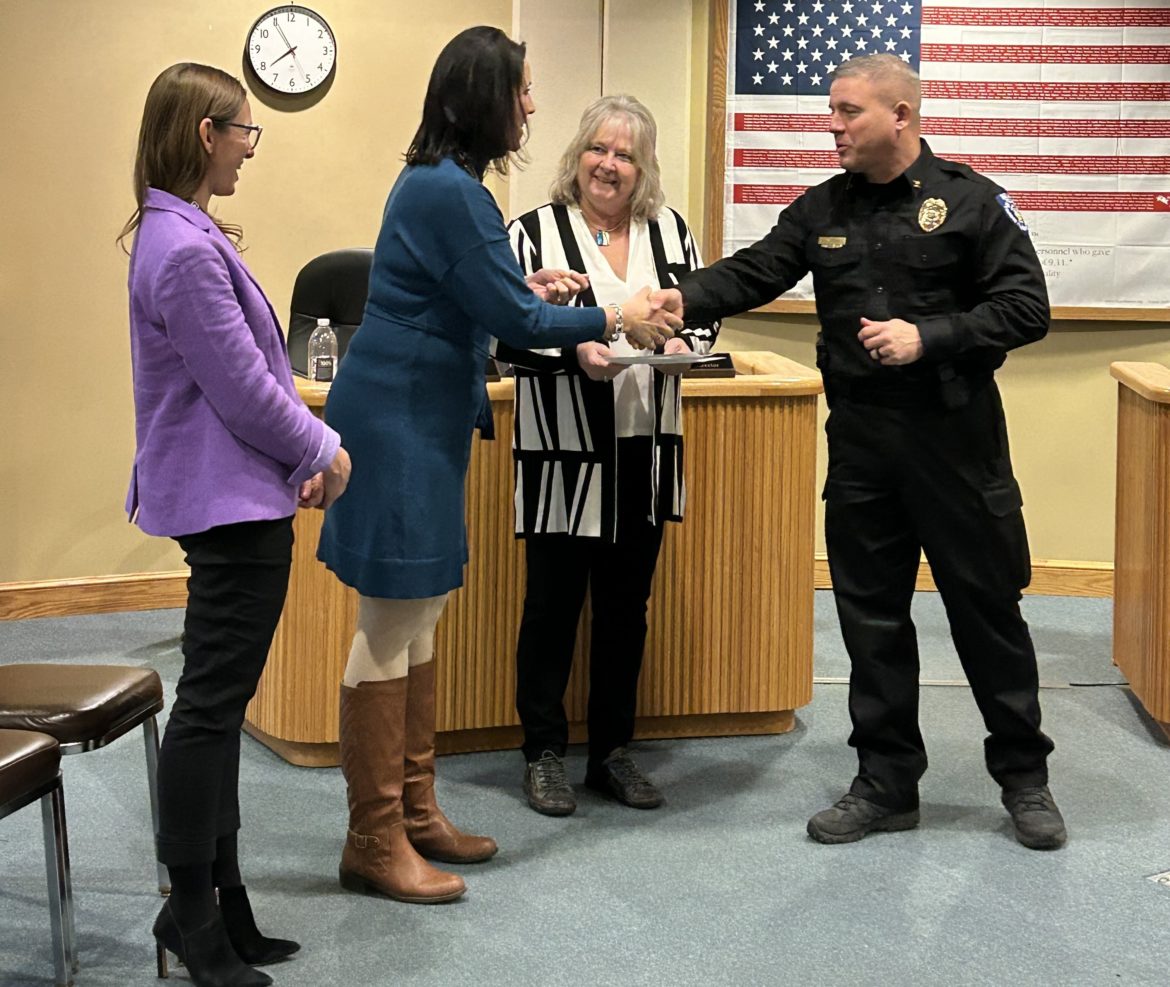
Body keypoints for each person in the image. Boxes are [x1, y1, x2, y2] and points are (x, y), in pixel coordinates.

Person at [651, 54, 1066, 850]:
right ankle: (886, 781)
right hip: (863, 445)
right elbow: (759, 269)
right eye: (832, 111)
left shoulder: (971, 202)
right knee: (871, 619)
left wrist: (929, 336)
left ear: (900, 115)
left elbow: (1026, 307)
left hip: (955, 444)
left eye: (848, 111)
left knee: (986, 613)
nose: (833, 126)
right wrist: (684, 297)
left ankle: (1025, 778)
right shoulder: (824, 207)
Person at [316, 27, 678, 905]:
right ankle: (373, 838)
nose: (530, 106)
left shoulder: (448, 186)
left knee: (421, 620)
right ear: (484, 99)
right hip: (400, 423)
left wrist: (529, 290)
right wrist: (612, 315)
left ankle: (414, 811)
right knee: (391, 625)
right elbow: (519, 325)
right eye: (521, 90)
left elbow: (489, 303)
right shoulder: (450, 192)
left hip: (421, 419)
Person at [120, 63, 351, 987]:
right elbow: (245, 389)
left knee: (218, 705)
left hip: (236, 496)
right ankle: (191, 911)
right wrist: (322, 448)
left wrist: (299, 454)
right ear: (205, 132)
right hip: (228, 504)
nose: (251, 148)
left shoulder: (182, 230)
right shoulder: (181, 247)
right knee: (211, 710)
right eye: (244, 131)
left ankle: (222, 898)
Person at [493, 95, 719, 816]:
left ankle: (612, 752)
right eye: (599, 148)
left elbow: (703, 317)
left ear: (644, 166)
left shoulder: (671, 231)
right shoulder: (533, 233)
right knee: (552, 606)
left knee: (627, 607)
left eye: (626, 154)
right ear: (577, 155)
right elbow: (504, 331)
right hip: (562, 449)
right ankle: (543, 752)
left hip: (644, 449)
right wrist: (573, 351)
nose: (609, 164)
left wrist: (683, 339)